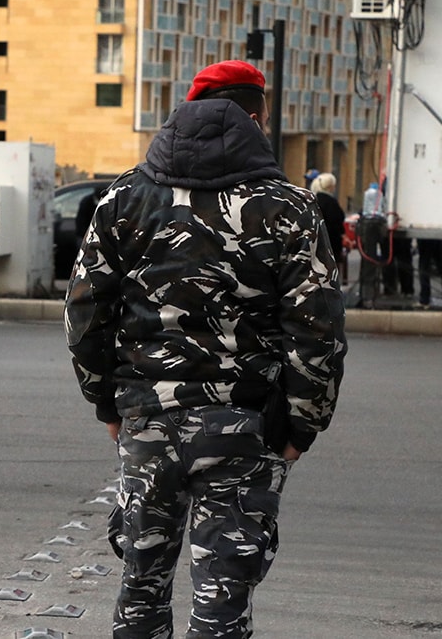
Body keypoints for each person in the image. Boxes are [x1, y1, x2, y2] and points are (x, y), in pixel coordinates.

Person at [65, 60, 347, 638]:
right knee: (223, 599)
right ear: (255, 118)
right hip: (246, 423)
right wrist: (302, 428)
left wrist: (108, 406)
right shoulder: (289, 207)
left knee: (141, 587)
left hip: (147, 417)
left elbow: (85, 313)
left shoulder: (122, 198)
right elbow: (317, 330)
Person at [310, 171, 347, 266]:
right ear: (330, 187)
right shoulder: (331, 202)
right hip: (330, 243)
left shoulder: (313, 200)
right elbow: (336, 222)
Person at [416, 237, 442, 309]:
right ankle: (424, 299)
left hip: (424, 236)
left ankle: (424, 299)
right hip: (438, 232)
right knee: (439, 262)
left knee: (424, 265)